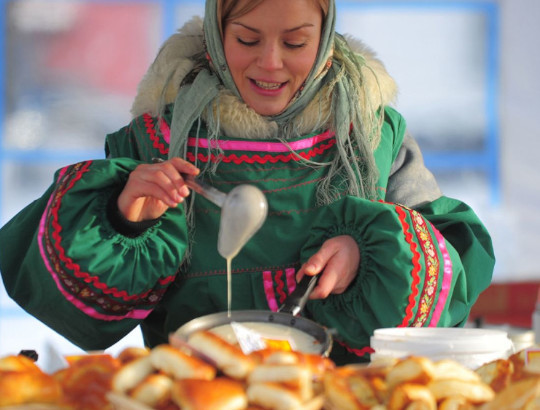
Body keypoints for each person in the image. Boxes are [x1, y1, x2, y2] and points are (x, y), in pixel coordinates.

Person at [0, 0, 494, 365]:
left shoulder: (370, 137)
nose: (271, 62)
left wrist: (369, 253)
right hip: (195, 392)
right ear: (217, 36)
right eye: (247, 40)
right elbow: (80, 311)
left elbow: (448, 277)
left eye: (295, 42)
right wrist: (123, 219)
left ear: (324, 40)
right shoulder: (159, 142)